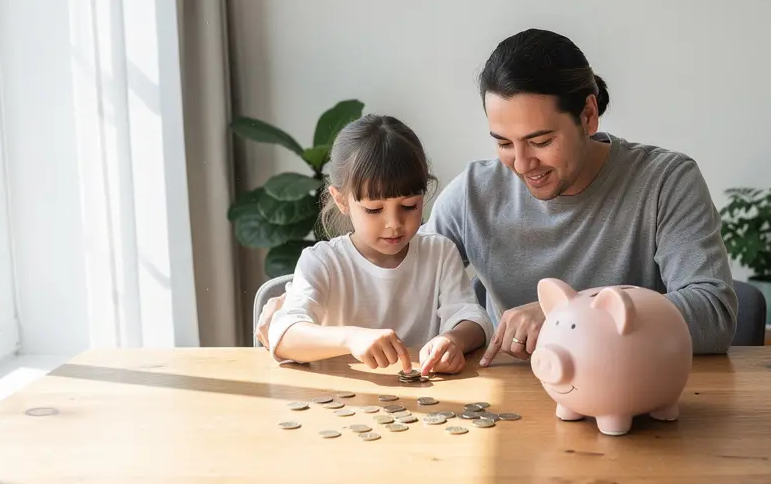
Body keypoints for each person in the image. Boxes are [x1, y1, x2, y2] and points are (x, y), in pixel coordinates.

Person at [258, 28, 737, 365]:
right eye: (504, 142)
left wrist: (569, 313)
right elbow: (399, 260)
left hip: (631, 395)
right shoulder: (474, 193)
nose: (522, 164)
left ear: (588, 115)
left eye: (540, 141)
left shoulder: (665, 182)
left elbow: (713, 314)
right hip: (512, 402)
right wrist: (290, 307)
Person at [264, 114, 493, 377]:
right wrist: (351, 338)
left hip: (426, 393)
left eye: (409, 206)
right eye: (374, 209)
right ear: (341, 200)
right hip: (343, 394)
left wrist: (453, 339)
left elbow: (473, 319)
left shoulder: (439, 253)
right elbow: (283, 336)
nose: (394, 224)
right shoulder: (323, 261)